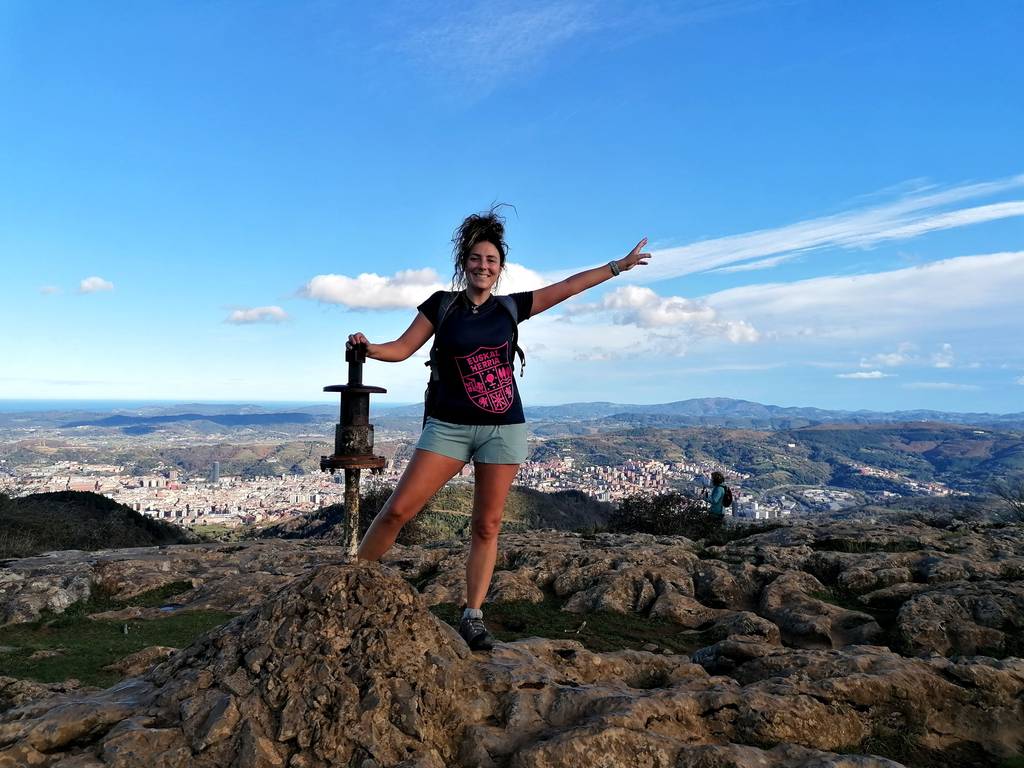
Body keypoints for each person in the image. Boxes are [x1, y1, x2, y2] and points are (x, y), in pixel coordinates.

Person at [347, 208, 650, 651]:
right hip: (448, 427)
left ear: (500, 267)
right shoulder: (441, 305)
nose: (483, 266)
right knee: (397, 511)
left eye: (491, 260)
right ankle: (352, 583)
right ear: (463, 262)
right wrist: (369, 348)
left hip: (503, 428)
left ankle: (473, 615)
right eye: (475, 258)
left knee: (487, 525)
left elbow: (568, 287)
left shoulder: (510, 308)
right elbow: (403, 348)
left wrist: (617, 267)